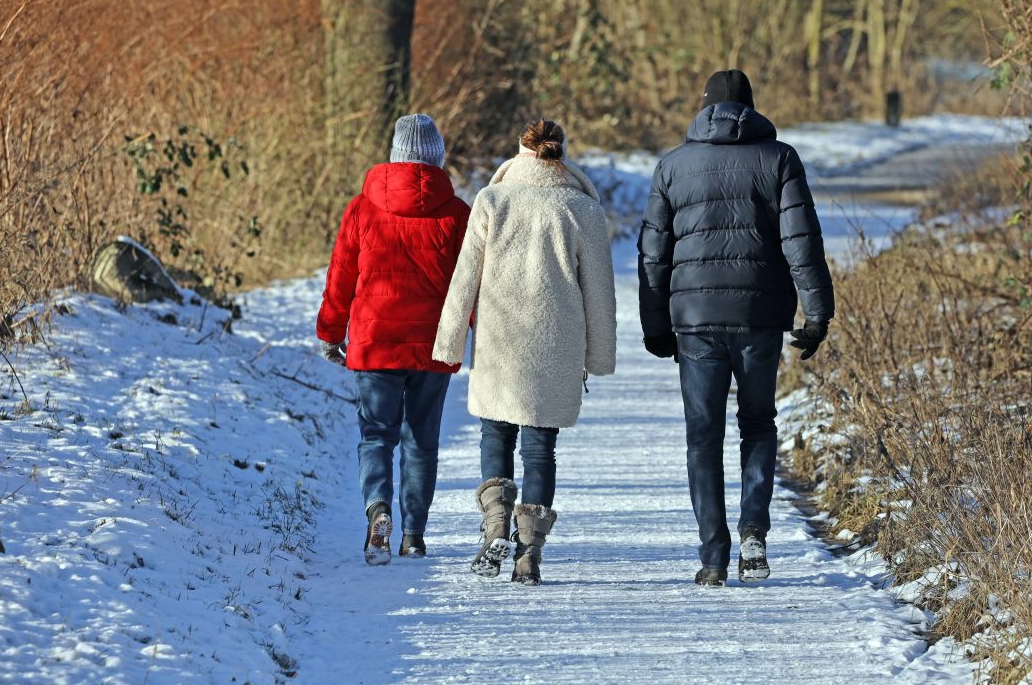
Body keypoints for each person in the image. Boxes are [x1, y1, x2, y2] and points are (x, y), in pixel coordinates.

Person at [637, 70, 834, 586]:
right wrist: (817, 314)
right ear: (750, 107)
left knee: (702, 437)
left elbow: (654, 255)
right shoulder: (780, 158)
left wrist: (656, 324)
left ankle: (713, 556)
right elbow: (802, 242)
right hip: (760, 318)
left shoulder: (673, 166)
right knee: (758, 424)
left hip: (696, 324)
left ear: (704, 108)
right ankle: (754, 535)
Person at [433, 119, 616, 586]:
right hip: (556, 347)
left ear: (520, 152)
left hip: (499, 340)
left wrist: (449, 342)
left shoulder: (492, 201)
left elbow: (464, 279)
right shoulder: (581, 209)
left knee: (495, 436)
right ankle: (528, 553)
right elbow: (600, 293)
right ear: (560, 155)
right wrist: (600, 357)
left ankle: (495, 522)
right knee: (540, 450)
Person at [317, 113, 471, 565]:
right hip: (433, 344)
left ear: (394, 155)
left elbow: (341, 277)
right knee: (422, 441)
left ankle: (378, 510)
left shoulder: (361, 208)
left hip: (376, 341)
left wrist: (329, 331)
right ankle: (414, 536)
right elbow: (471, 283)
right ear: (437, 158)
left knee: (376, 436)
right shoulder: (458, 213)